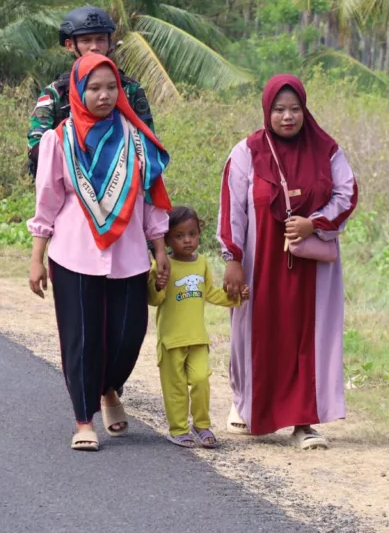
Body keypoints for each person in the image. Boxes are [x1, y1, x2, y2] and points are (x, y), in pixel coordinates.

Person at [27, 53, 172, 452]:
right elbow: (48, 200)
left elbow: (151, 199)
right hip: (74, 253)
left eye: (111, 87)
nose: (104, 95)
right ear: (78, 90)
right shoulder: (59, 139)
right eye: (94, 88)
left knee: (128, 334)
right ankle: (83, 419)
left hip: (128, 254)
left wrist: (160, 248)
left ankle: (109, 387)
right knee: (82, 337)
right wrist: (37, 257)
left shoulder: (135, 138)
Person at [215, 74, 358, 450]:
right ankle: (247, 404)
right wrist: (232, 258)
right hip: (261, 265)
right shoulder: (247, 152)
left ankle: (303, 422)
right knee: (256, 334)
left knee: (306, 339)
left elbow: (347, 194)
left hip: (311, 266)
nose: (288, 117)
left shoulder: (326, 149)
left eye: (295, 109)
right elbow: (233, 209)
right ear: (267, 111)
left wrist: (315, 223)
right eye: (279, 110)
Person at [148, 206, 249, 448]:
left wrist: (236, 297)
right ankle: (178, 428)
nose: (187, 241)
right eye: (180, 236)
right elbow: (153, 300)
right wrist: (158, 284)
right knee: (176, 389)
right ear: (167, 239)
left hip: (197, 339)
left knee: (201, 380)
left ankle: (201, 424)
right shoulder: (163, 264)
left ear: (199, 233)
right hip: (171, 340)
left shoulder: (202, 263)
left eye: (192, 234)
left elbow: (211, 293)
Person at [26, 6, 155, 178]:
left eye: (100, 39)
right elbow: (36, 148)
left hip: (122, 182)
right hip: (70, 183)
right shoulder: (55, 93)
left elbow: (148, 141)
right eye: (86, 40)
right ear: (70, 45)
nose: (94, 47)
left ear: (110, 42)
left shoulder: (130, 89)